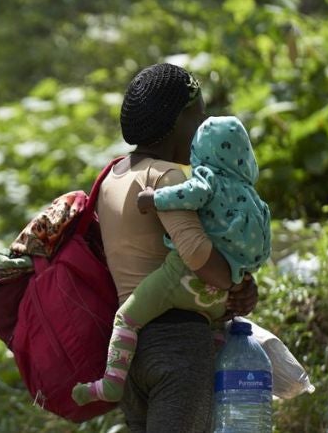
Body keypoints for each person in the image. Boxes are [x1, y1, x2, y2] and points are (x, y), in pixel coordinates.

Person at [71, 63, 258, 432]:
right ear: (179, 120)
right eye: (200, 116)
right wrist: (235, 283)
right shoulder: (166, 178)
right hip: (178, 345)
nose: (204, 128)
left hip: (129, 349)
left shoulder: (113, 176)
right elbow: (195, 251)